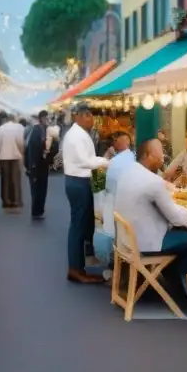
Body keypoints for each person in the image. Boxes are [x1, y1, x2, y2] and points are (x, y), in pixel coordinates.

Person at [115, 138, 187, 282]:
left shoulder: (128, 171)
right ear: (148, 156)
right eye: (160, 156)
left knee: (178, 232)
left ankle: (171, 277)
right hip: (146, 243)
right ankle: (186, 288)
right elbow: (177, 218)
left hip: (126, 240)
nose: (162, 160)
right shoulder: (153, 181)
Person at [61, 104, 108, 283]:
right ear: (79, 117)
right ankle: (75, 269)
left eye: (92, 116)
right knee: (77, 226)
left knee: (83, 223)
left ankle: (85, 259)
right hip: (78, 182)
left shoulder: (80, 134)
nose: (92, 120)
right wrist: (107, 162)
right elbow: (86, 161)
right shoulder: (77, 136)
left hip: (80, 181)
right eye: (88, 116)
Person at [25, 110, 56, 221]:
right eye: (47, 118)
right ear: (41, 118)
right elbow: (32, 149)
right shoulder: (37, 130)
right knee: (37, 189)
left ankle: (40, 210)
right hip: (36, 166)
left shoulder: (46, 130)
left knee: (42, 189)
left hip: (43, 165)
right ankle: (36, 211)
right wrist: (32, 165)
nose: (49, 120)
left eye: (50, 118)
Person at [0, 112, 25, 211]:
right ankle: (16, 201)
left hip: (4, 156)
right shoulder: (19, 127)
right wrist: (21, 152)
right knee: (15, 179)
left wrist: (0, 152)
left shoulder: (1, 128)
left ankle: (6, 201)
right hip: (16, 156)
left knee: (5, 179)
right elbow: (21, 141)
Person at [104, 131, 134, 196]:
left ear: (116, 143)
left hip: (113, 196)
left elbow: (99, 180)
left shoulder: (114, 161)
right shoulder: (134, 158)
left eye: (115, 141)